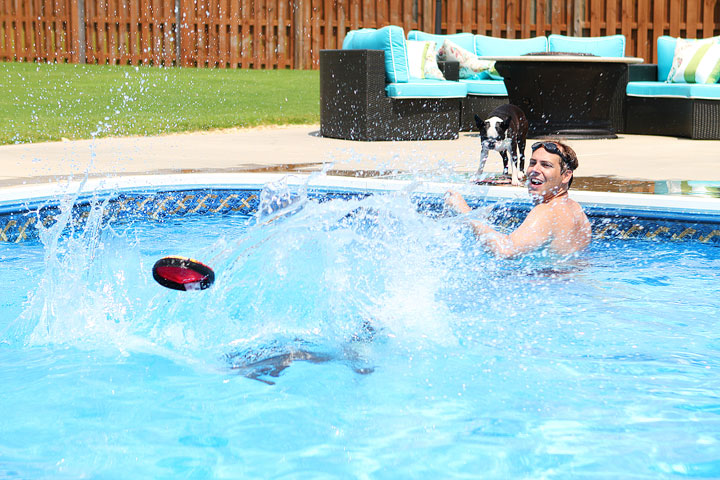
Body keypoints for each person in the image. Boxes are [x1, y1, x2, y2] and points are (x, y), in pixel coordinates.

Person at [445, 140, 591, 258]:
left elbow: (504, 250)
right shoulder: (576, 210)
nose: (534, 170)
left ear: (566, 175)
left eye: (546, 165)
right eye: (533, 163)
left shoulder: (546, 212)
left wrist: (466, 212)